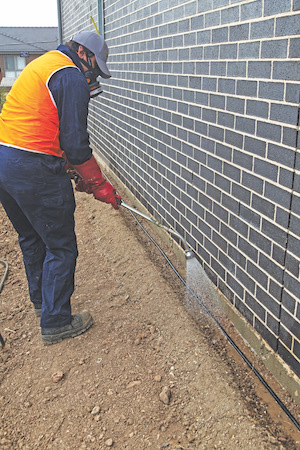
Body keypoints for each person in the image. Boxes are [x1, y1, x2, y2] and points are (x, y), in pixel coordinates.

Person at [0, 31, 121, 344]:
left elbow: (47, 126)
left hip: (6, 160)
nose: (93, 75)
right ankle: (55, 322)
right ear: (82, 52)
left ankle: (43, 303)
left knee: (31, 236)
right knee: (61, 244)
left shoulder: (48, 64)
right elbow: (76, 145)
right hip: (32, 166)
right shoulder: (70, 76)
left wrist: (68, 169)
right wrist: (100, 185)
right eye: (94, 66)